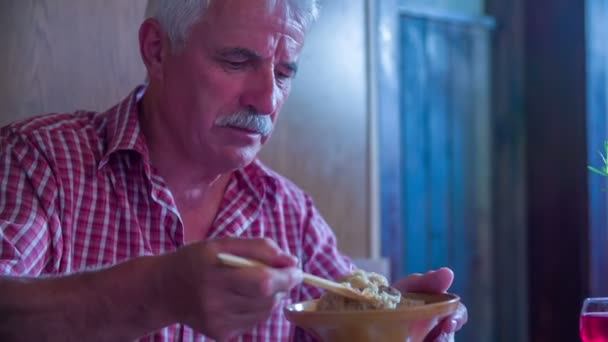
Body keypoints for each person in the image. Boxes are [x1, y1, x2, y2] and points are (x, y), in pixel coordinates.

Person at [0, 0, 467, 340]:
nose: (267, 100)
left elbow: (341, 319)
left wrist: (387, 323)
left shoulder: (290, 213)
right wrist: (160, 291)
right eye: (238, 60)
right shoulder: (42, 162)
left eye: (285, 73)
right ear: (157, 50)